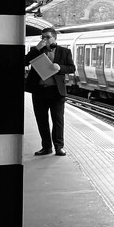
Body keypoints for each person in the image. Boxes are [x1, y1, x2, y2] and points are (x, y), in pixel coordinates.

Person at [24, 28, 76, 156]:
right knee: (42, 120)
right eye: (42, 37)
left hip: (56, 92)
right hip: (39, 91)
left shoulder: (65, 52)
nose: (44, 40)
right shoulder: (35, 51)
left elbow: (72, 68)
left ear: (54, 38)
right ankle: (46, 147)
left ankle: (59, 147)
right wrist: (36, 49)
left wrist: (60, 68)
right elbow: (23, 61)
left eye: (47, 37)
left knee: (58, 120)